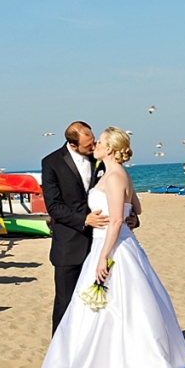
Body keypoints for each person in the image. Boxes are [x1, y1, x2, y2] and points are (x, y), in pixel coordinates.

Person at [37, 127, 185, 368]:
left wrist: (108, 248)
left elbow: (119, 218)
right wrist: (127, 213)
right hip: (89, 243)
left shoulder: (113, 174)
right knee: (90, 305)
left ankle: (115, 360)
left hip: (110, 245)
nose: (94, 146)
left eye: (99, 142)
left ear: (109, 149)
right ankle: (85, 356)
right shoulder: (99, 169)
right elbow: (134, 206)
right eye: (92, 142)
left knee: (123, 304)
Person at [41, 121, 109, 336]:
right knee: (65, 302)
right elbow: (54, 206)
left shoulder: (100, 160)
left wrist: (131, 216)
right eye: (88, 145)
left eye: (94, 142)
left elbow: (117, 191)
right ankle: (59, 348)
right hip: (68, 245)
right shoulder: (51, 163)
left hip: (100, 243)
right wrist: (84, 219)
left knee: (100, 300)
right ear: (72, 144)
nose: (93, 147)